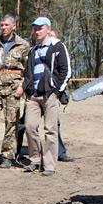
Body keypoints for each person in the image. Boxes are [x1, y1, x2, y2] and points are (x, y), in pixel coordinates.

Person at [16, 16, 70, 176]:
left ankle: (49, 165)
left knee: (50, 130)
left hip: (50, 94)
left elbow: (65, 71)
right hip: (33, 96)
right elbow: (28, 74)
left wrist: (56, 91)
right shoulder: (32, 51)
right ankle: (34, 160)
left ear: (48, 29)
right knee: (30, 127)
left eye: (40, 28)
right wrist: (26, 92)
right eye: (35, 28)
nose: (37, 31)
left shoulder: (58, 47)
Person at [0, 14, 30, 169]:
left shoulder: (23, 45)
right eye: (1, 25)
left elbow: (28, 70)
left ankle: (8, 155)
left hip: (13, 90)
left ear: (14, 26)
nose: (3, 27)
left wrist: (22, 86)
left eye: (6, 25)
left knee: (11, 124)